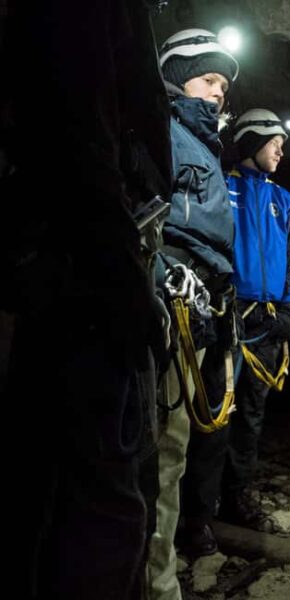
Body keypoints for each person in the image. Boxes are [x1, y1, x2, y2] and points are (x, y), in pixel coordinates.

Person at [1, 1, 172, 598]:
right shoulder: (84, 16)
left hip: (79, 270)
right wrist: (126, 277)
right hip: (86, 280)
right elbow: (78, 137)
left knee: (70, 490)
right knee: (105, 496)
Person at [146, 28, 238, 599]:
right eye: (209, 79)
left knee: (175, 450)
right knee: (155, 449)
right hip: (165, 304)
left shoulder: (205, 147)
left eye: (224, 85)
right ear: (179, 79)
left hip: (195, 306)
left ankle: (158, 578)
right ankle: (151, 584)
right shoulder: (162, 132)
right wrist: (160, 273)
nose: (218, 93)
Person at [218, 108, 290, 526]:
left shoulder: (282, 200)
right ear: (254, 143)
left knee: (251, 413)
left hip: (267, 323)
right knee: (215, 409)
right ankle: (201, 502)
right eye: (276, 144)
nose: (281, 152)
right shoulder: (223, 187)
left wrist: (289, 307)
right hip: (228, 315)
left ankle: (236, 497)